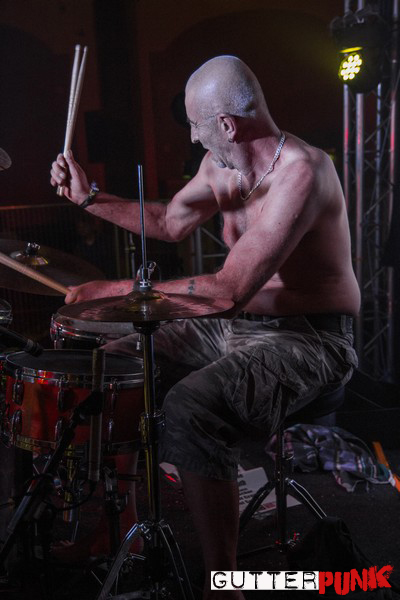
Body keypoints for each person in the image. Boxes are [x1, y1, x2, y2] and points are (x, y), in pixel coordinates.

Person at [50, 55, 360, 599]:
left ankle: (224, 583)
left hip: (309, 337)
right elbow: (169, 221)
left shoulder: (303, 173)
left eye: (196, 125)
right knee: (120, 367)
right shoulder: (220, 167)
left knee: (192, 405)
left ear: (227, 125)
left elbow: (228, 289)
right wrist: (89, 198)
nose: (192, 138)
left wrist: (117, 290)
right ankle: (122, 527)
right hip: (235, 327)